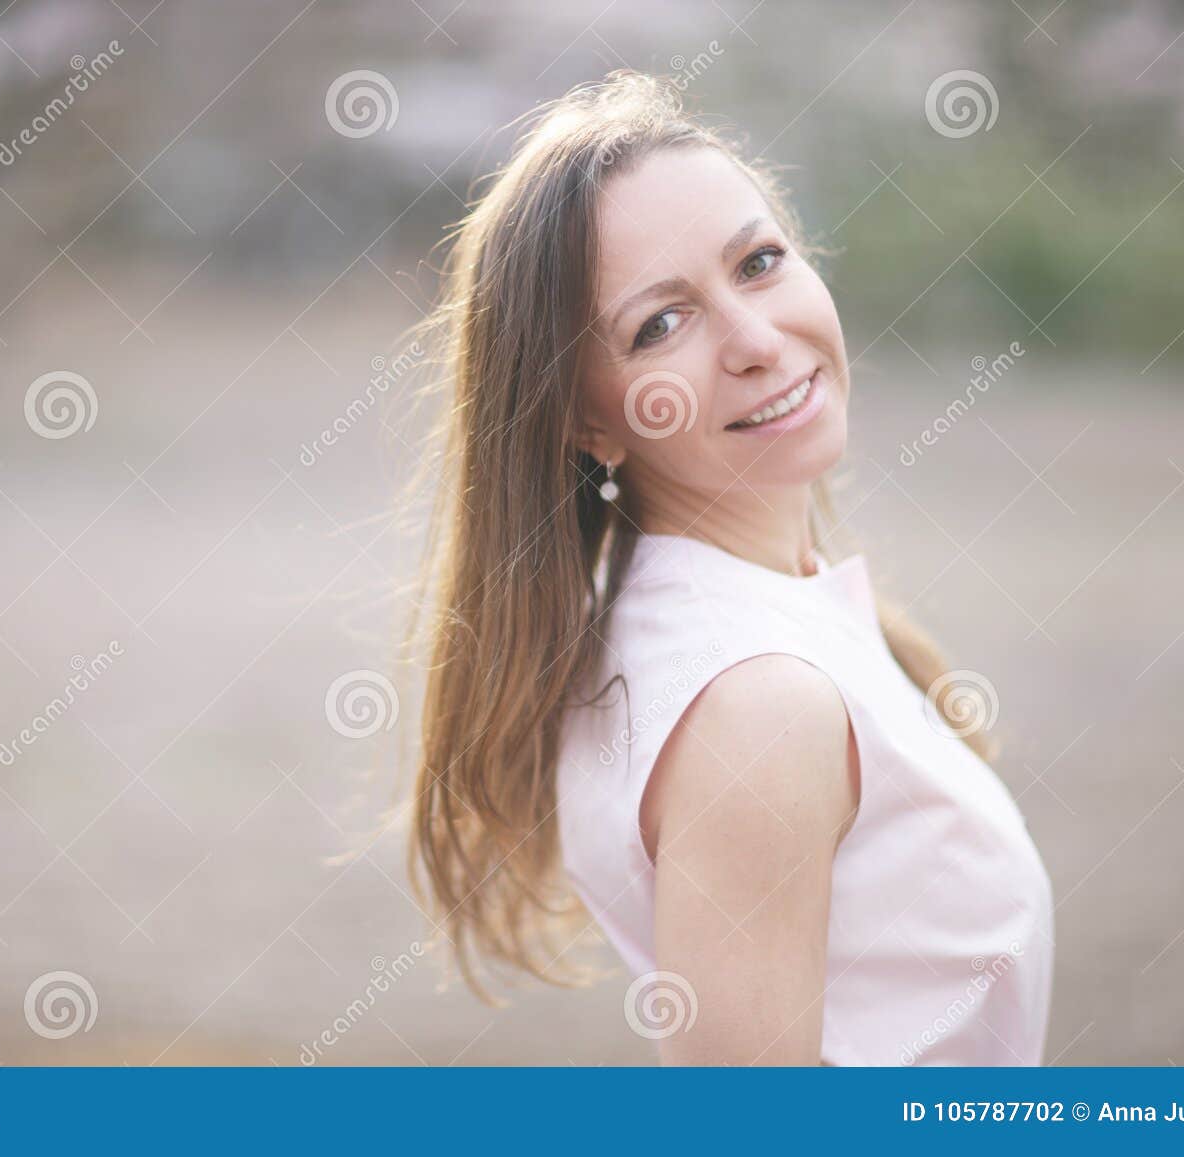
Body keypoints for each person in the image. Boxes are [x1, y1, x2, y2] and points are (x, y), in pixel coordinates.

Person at [403, 71, 1053, 1065]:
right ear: (586, 420)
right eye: (659, 324)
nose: (755, 340)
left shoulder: (703, 615)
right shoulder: (757, 705)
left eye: (757, 261)